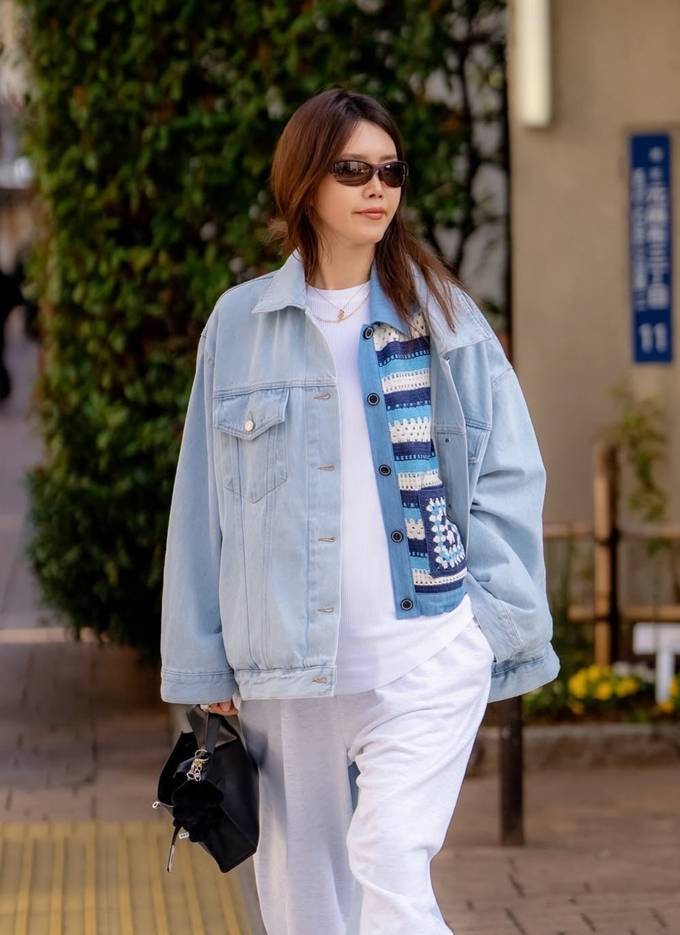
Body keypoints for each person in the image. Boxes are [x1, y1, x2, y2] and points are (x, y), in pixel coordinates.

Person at [160, 86, 560, 935]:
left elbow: (509, 467)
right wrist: (203, 663)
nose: (377, 187)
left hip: (427, 653)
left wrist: (482, 620)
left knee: (389, 859)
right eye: (352, 169)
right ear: (304, 183)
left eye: (391, 170)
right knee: (306, 910)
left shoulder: (442, 317)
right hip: (288, 670)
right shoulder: (239, 325)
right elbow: (202, 502)